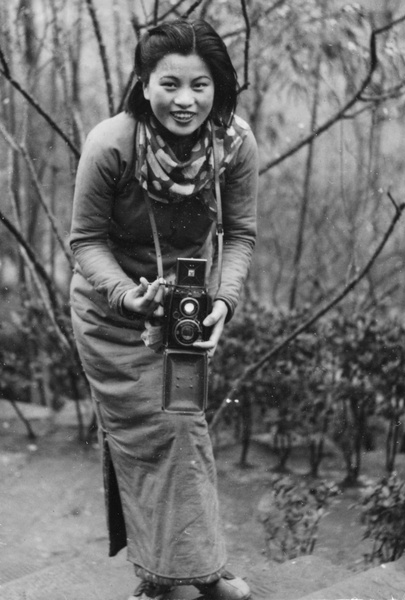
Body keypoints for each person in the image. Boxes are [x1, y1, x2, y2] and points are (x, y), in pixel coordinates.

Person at [69, 17, 258, 600]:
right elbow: (85, 241)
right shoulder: (111, 144)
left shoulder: (234, 145)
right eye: (170, 83)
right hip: (112, 314)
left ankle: (191, 568)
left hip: (185, 313)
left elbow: (242, 232)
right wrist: (128, 295)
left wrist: (222, 302)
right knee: (151, 436)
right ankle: (174, 575)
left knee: (184, 428)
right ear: (143, 83)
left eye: (200, 86)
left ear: (219, 89)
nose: (185, 100)